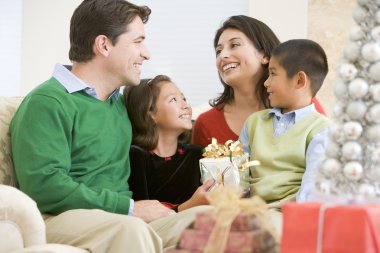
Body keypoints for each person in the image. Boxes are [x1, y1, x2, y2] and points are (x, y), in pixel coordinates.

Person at [10, 1, 208, 252]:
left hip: (121, 218)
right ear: (104, 45)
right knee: (131, 229)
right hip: (59, 217)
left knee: (208, 221)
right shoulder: (48, 101)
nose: (147, 54)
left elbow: (162, 138)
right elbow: (45, 186)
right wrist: (129, 208)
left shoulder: (118, 104)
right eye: (137, 42)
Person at [192, 15, 326, 147]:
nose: (223, 55)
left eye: (234, 45)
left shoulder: (303, 104)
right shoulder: (206, 124)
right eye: (218, 51)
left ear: (265, 55)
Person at [239, 39, 331, 208]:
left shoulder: (322, 130)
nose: (266, 83)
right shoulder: (253, 123)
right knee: (199, 217)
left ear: (299, 81)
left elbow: (312, 187)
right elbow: (239, 174)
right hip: (247, 210)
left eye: (273, 74)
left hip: (288, 214)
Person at [124, 75, 213, 211]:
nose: (186, 105)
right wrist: (189, 206)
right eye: (173, 100)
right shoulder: (136, 157)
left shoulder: (195, 154)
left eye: (184, 98)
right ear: (150, 113)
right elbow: (142, 216)